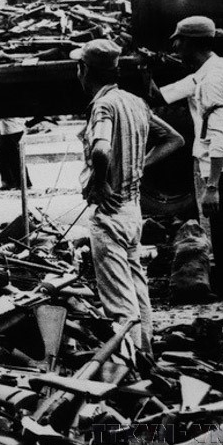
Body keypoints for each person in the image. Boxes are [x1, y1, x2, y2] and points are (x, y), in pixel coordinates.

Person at [72, 38, 184, 355]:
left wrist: (100, 181)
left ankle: (132, 372)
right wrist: (138, 163)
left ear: (83, 70)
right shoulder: (135, 102)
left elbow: (101, 147)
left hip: (109, 215)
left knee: (119, 305)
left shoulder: (103, 106)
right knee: (138, 290)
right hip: (133, 212)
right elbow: (174, 139)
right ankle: (146, 356)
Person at [159, 16, 223, 339]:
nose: (174, 45)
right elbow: (173, 91)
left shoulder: (212, 81)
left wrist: (212, 187)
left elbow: (218, 136)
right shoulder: (217, 69)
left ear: (192, 42)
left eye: (178, 40)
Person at [0, 117, 32, 190]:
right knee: (6, 156)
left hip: (10, 130)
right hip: (11, 129)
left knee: (9, 158)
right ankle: (15, 183)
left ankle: (16, 183)